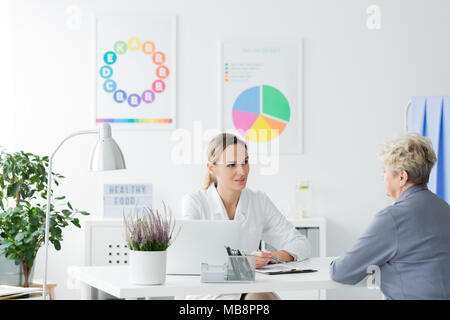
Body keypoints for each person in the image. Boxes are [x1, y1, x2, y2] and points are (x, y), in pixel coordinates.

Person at [182, 133, 311, 300]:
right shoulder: (195, 202)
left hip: (249, 290)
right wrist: (245, 263)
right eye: (231, 165)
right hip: (208, 294)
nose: (242, 171)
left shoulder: (258, 200)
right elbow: (189, 261)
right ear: (212, 168)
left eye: (245, 162)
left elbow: (301, 243)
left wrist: (270, 258)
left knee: (262, 297)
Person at [330, 132, 450, 299]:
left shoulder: (393, 218)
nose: (382, 176)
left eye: (384, 171)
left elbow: (341, 271)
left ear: (402, 177)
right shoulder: (445, 208)